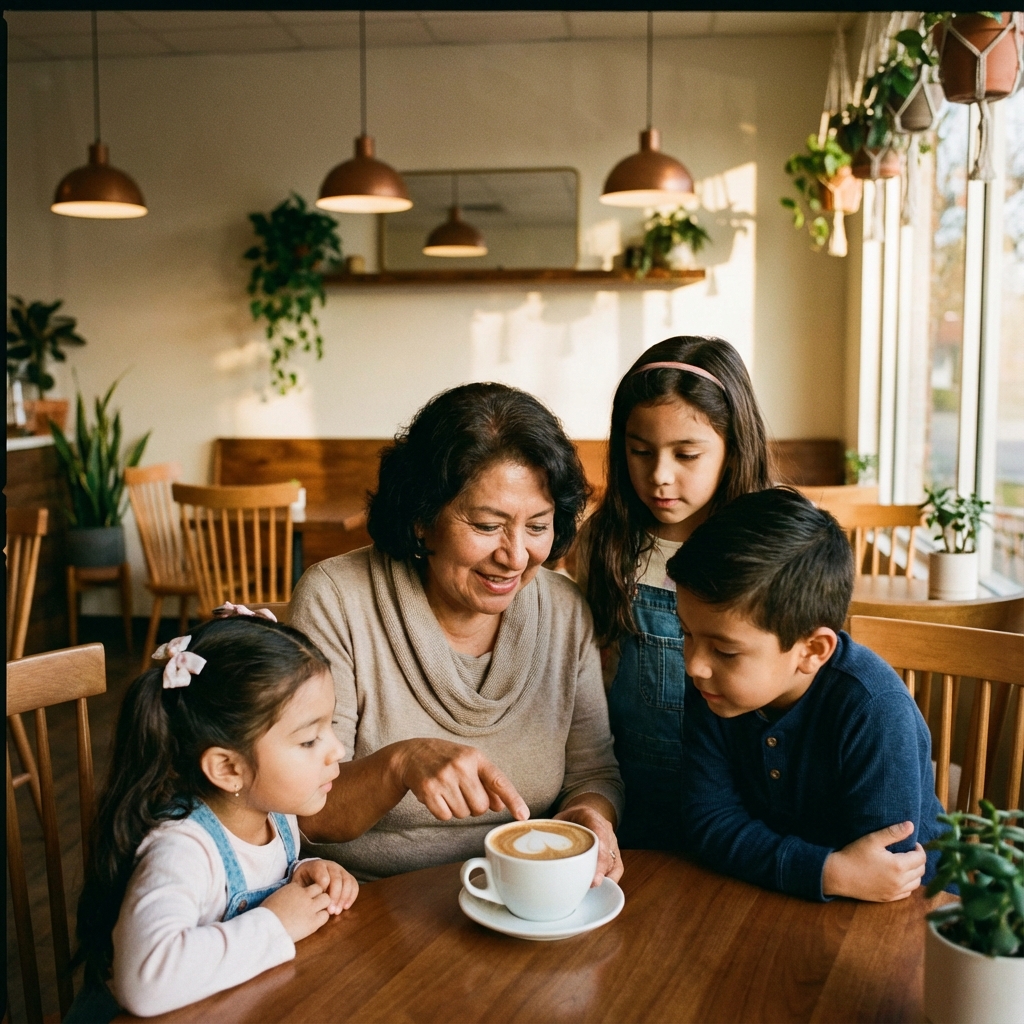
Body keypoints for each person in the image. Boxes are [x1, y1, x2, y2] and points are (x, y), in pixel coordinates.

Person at [291, 382, 624, 884]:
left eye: (538, 526)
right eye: (488, 525)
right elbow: (305, 810)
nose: (515, 556)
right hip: (367, 905)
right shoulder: (337, 599)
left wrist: (589, 814)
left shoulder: (564, 611)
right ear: (422, 519)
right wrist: (400, 764)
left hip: (520, 894)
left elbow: (593, 773)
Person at [69, 612, 358, 1021]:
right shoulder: (182, 850)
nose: (338, 750)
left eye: (329, 727)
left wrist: (304, 872)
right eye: (310, 739)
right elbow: (145, 981)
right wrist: (276, 923)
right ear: (228, 769)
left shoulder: (274, 815)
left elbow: (259, 874)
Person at [667, 488, 945, 902]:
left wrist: (829, 871)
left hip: (913, 913)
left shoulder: (873, 709)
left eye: (725, 650)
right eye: (687, 633)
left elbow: (886, 869)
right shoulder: (715, 688)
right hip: (784, 899)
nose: (695, 664)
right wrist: (829, 872)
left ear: (812, 651)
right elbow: (709, 822)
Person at [576, 336, 772, 849]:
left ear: (734, 447)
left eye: (687, 454)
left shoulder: (768, 547)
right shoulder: (608, 541)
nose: (659, 476)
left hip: (746, 809)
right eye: (640, 452)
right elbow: (595, 674)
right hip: (635, 807)